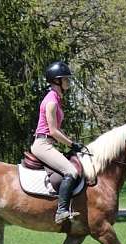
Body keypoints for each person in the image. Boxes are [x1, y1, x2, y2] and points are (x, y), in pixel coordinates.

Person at [31, 61, 83, 224]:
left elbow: (57, 131)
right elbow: (53, 131)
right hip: (42, 145)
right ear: (56, 81)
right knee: (71, 172)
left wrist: (71, 142)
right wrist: (71, 144)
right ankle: (61, 211)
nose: (68, 82)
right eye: (65, 79)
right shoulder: (52, 102)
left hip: (48, 144)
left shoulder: (55, 99)